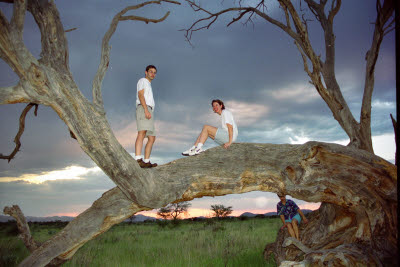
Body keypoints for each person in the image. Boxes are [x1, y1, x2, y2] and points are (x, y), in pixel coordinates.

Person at [134, 65, 158, 168]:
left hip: (149, 110)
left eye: (154, 72)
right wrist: (145, 110)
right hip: (144, 108)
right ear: (146, 72)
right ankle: (138, 159)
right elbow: (140, 95)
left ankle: (147, 161)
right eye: (151, 71)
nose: (153, 74)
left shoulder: (148, 84)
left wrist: (149, 111)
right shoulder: (143, 81)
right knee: (142, 133)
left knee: (152, 138)